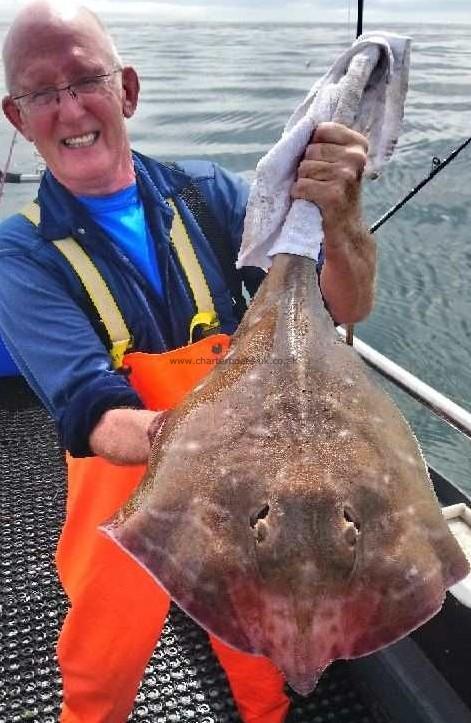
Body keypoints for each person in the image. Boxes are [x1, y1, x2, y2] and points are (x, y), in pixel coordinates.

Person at [0, 2, 376, 722]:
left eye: (85, 80)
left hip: (246, 506)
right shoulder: (22, 255)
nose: (69, 107)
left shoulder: (211, 195)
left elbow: (341, 304)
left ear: (128, 91)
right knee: (98, 668)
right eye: (41, 92)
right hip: (123, 506)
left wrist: (342, 219)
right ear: (17, 117)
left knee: (260, 650)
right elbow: (93, 409)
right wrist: (224, 444)